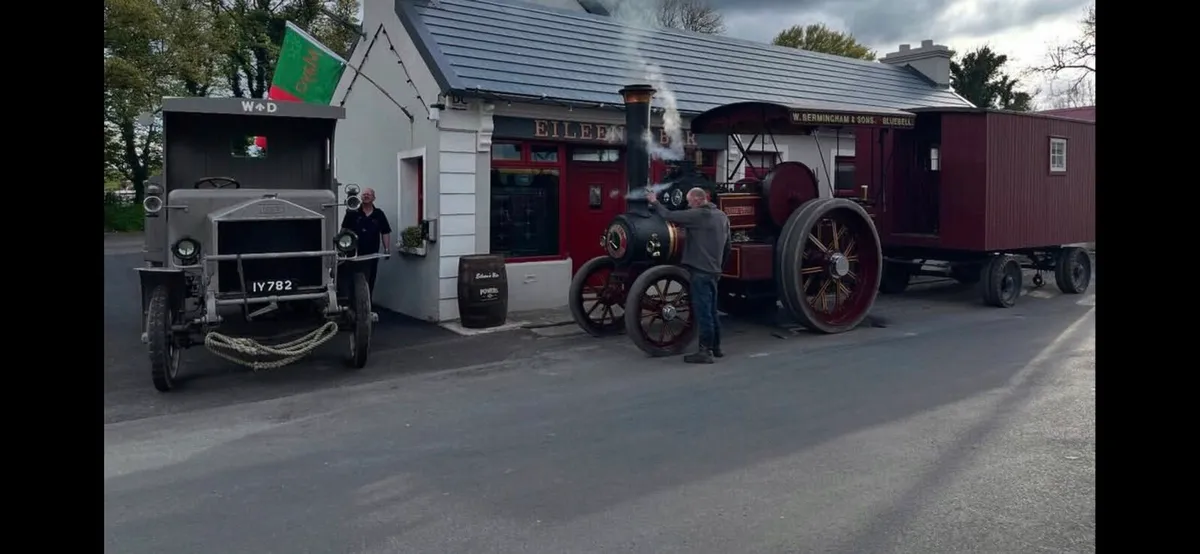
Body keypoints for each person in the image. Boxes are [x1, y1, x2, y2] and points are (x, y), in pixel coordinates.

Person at [648, 187, 731, 363]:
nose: (688, 205)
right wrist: (719, 267)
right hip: (713, 271)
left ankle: (704, 351)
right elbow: (728, 246)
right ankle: (716, 347)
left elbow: (669, 215)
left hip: (700, 271)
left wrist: (654, 201)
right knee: (712, 311)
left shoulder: (698, 215)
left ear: (698, 200)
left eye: (689, 201)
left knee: (703, 312)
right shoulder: (722, 216)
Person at [340, 187, 392, 294]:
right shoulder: (352, 213)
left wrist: (387, 249)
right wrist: (342, 247)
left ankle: (367, 304)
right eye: (364, 194)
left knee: (370, 278)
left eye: (369, 194)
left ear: (374, 198)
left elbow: (385, 232)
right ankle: (352, 304)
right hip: (353, 253)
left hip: (372, 253)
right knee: (352, 278)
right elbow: (343, 230)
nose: (366, 196)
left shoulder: (379, 214)